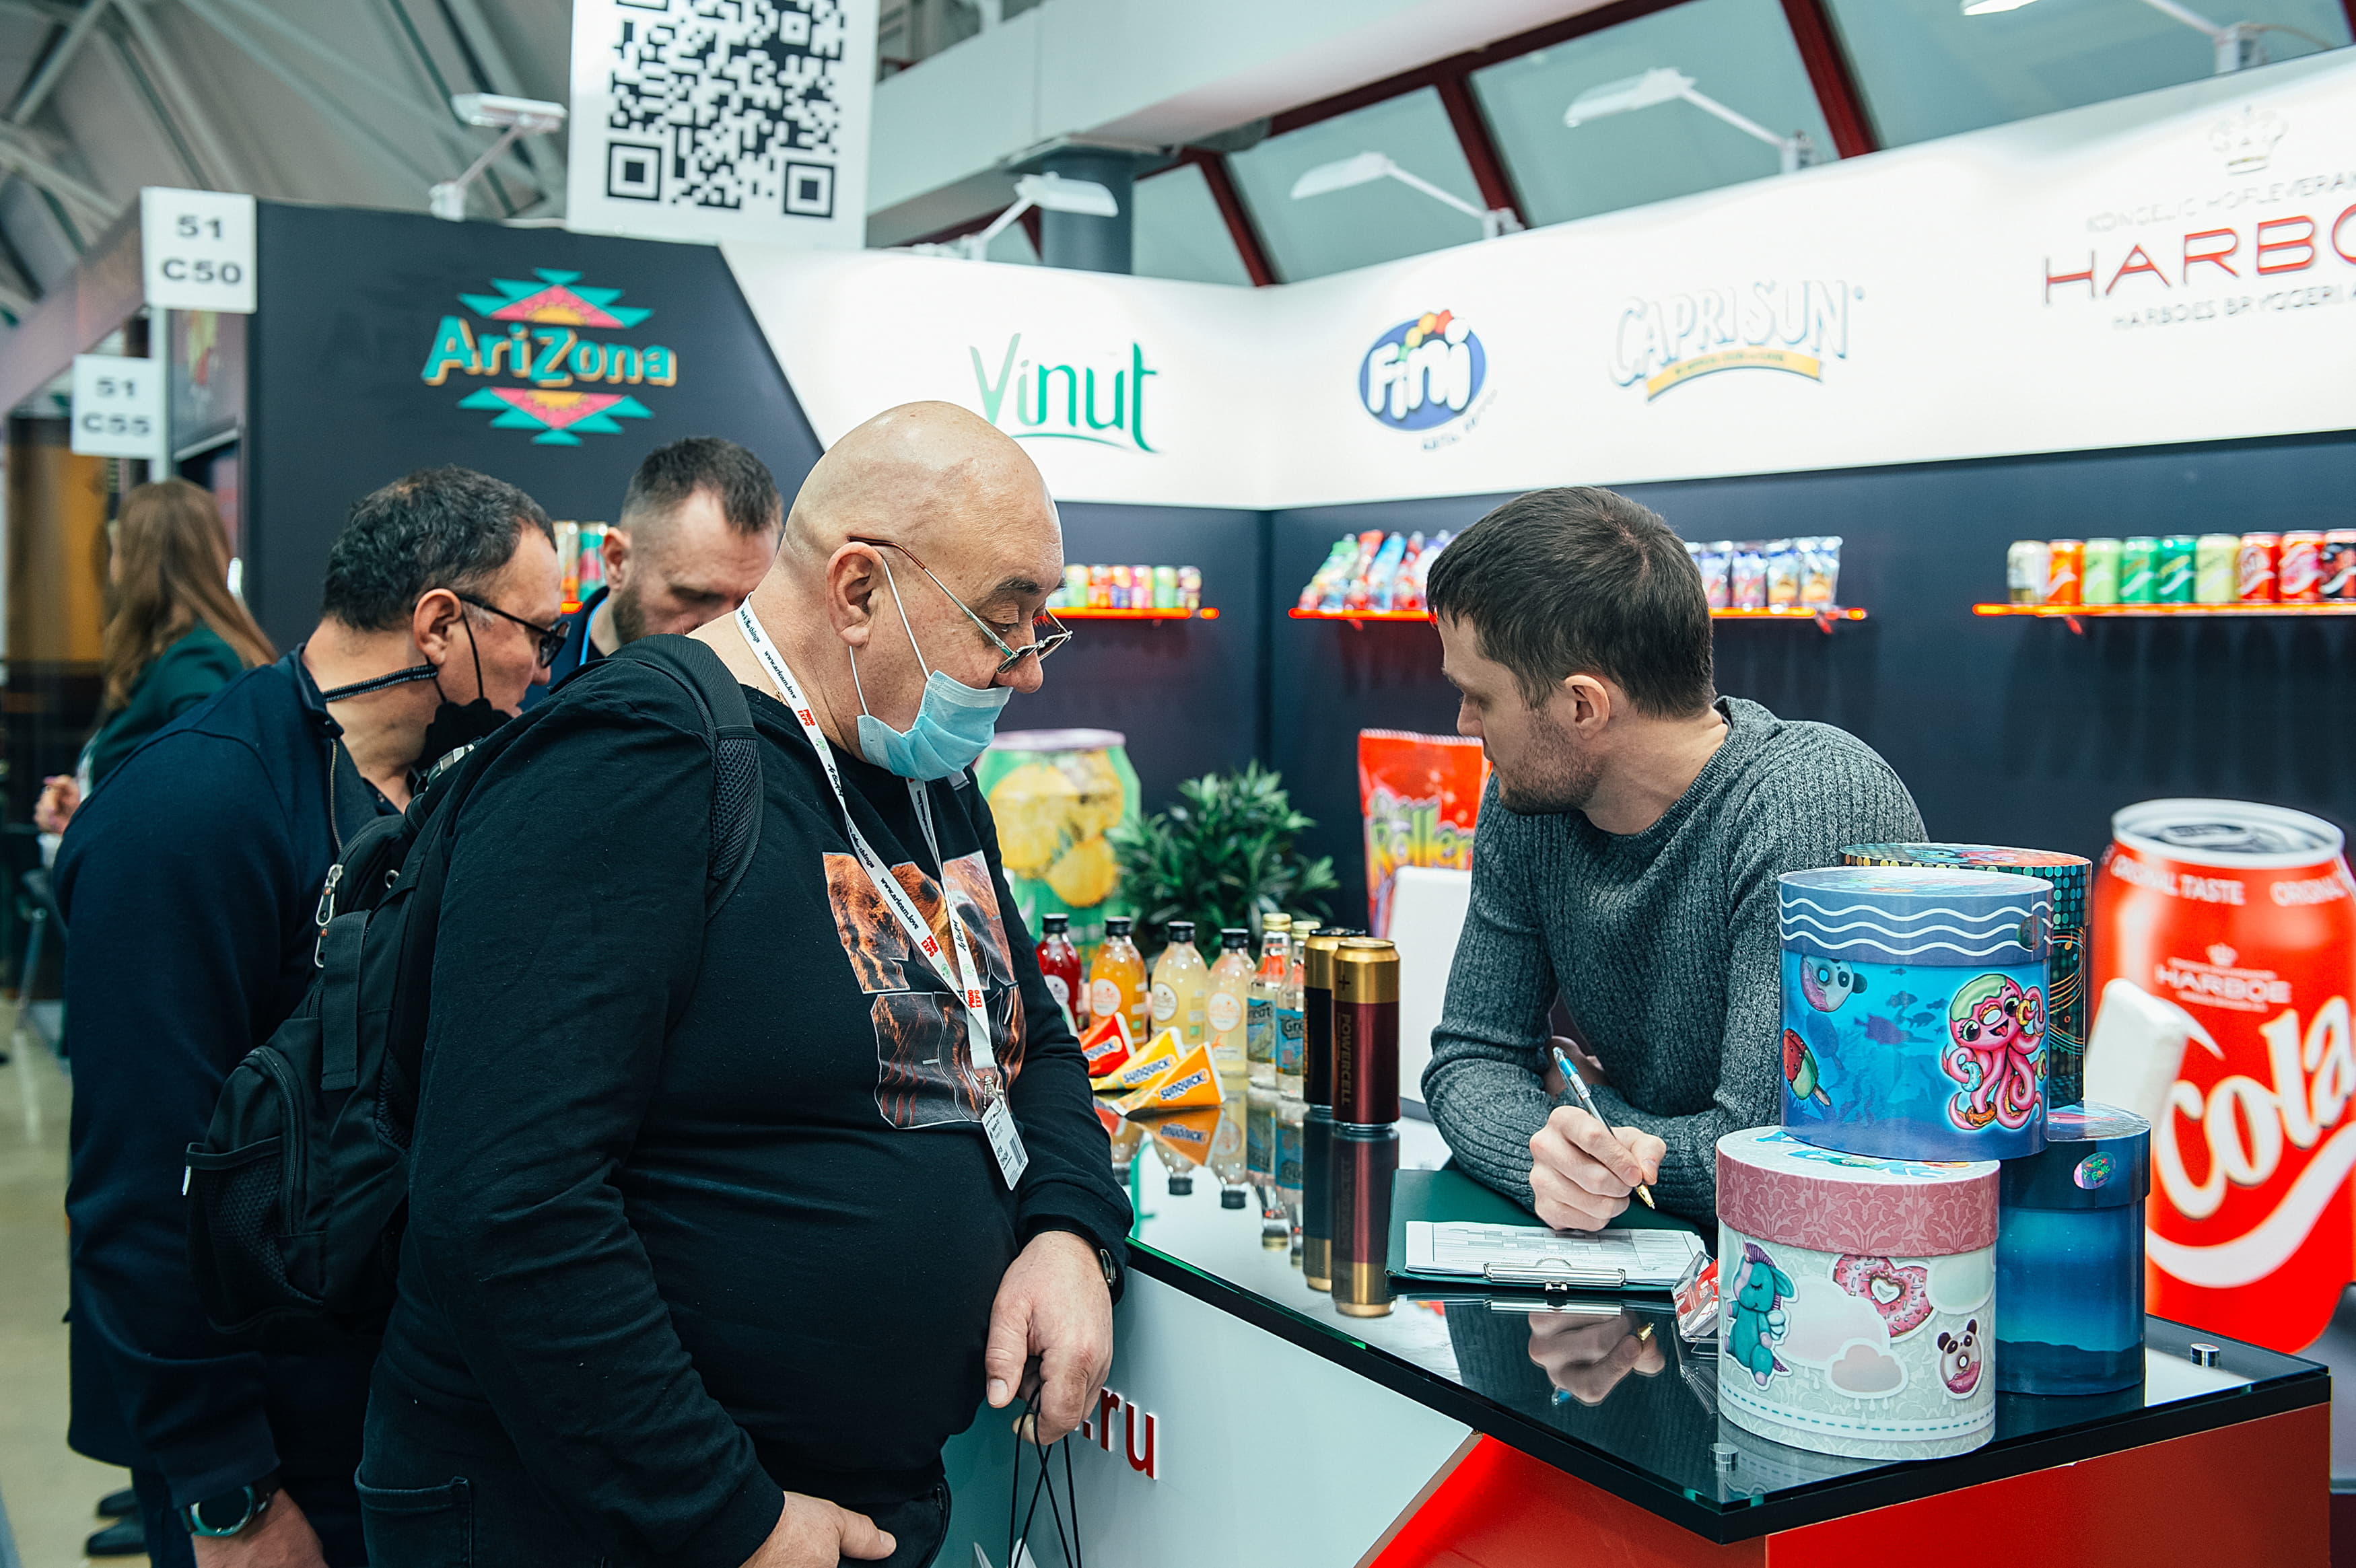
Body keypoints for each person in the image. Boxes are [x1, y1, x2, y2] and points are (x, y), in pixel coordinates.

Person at [363, 403, 1130, 1568]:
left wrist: (1070, 1229)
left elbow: (1029, 1042)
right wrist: (729, 1518)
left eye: (1041, 624)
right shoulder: (633, 759)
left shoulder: (925, 776)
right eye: (1003, 618)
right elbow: (511, 1199)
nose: (1025, 668)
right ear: (858, 589)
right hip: (607, 1526)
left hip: (839, 1506)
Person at [57, 467, 563, 1568]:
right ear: (441, 625)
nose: (544, 666)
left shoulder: (439, 791)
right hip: (272, 1441)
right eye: (536, 632)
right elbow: (139, 1190)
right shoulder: (191, 816)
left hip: (405, 1407)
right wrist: (226, 1489)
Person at [1420, 487, 1923, 1232]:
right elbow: (1470, 1057)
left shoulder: (1815, 803)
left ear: (1582, 705)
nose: (1464, 723)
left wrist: (1584, 1111)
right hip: (1645, 1263)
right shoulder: (1526, 803)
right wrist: (1543, 1154)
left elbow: (1775, 1151)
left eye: (1479, 697)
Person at [32, 478, 275, 841]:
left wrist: (104, 828)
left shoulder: (193, 658)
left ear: (137, 561)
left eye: (118, 549)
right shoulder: (174, 653)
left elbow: (213, 791)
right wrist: (88, 810)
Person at [524, 435, 785, 705]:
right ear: (617, 561)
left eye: (747, 605)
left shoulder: (778, 702)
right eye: (697, 596)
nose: (725, 630)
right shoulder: (523, 681)